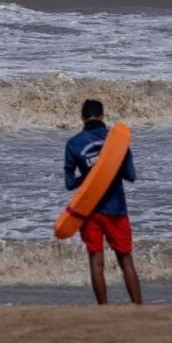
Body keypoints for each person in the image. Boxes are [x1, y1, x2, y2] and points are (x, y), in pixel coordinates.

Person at [64, 99, 142, 305]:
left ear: (82, 118)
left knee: (96, 261)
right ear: (102, 116)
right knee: (125, 260)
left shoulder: (73, 144)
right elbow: (131, 175)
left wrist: (89, 175)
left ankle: (103, 309)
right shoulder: (118, 141)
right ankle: (138, 308)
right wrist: (108, 168)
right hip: (116, 209)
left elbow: (70, 183)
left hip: (89, 211)